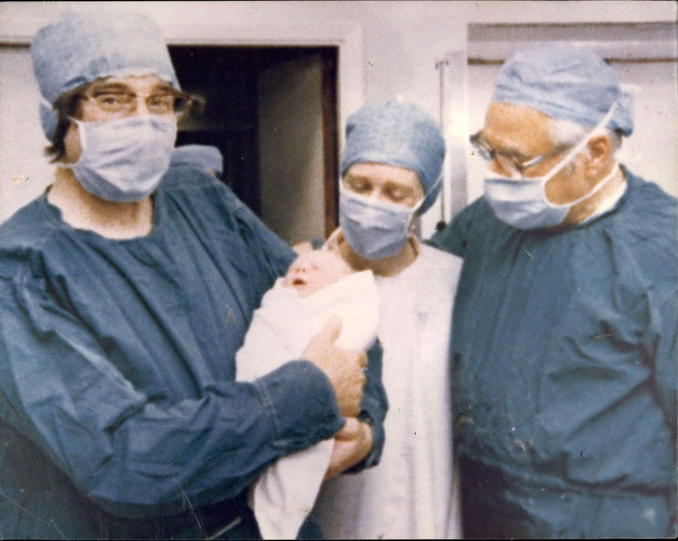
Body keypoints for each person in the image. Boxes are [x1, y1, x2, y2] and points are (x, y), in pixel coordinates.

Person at [0, 7, 386, 540]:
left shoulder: (203, 203)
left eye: (160, 100)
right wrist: (309, 395)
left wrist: (364, 431)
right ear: (60, 116)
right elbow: (124, 459)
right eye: (113, 98)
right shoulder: (21, 272)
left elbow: (335, 310)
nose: (142, 119)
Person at [430, 45, 677, 538]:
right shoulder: (487, 223)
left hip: (605, 520)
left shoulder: (660, 253)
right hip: (484, 506)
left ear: (595, 153)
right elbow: (416, 280)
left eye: (517, 161)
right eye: (489, 151)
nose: (495, 175)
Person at [313, 100, 464, 539]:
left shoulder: (454, 283)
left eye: (396, 193)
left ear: (425, 199)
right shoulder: (304, 282)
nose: (373, 202)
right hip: (335, 513)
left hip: (433, 512)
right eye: (360, 184)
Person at [237, 249, 380, 539]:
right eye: (296, 266)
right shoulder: (278, 306)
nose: (301, 269)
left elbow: (353, 366)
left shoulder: (338, 316)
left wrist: (367, 434)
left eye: (315, 267)